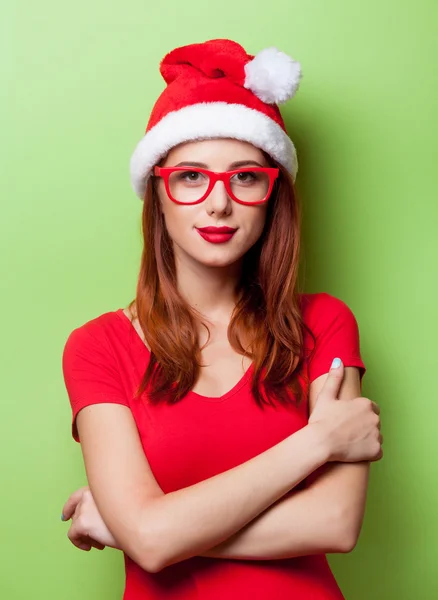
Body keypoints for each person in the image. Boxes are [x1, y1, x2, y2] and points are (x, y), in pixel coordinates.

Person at [61, 38, 383, 600]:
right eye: (190, 176)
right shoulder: (98, 346)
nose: (218, 203)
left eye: (245, 177)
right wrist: (316, 443)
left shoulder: (325, 324)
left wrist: (138, 528)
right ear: (157, 193)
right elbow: (152, 541)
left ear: (272, 194)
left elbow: (335, 523)